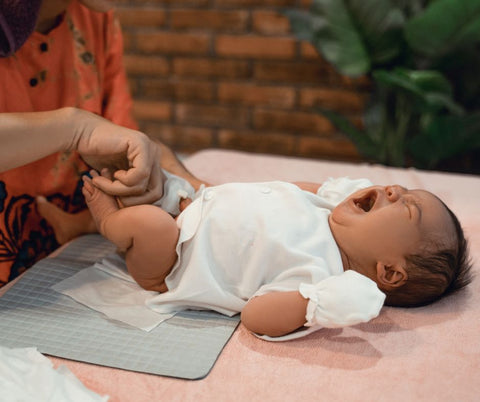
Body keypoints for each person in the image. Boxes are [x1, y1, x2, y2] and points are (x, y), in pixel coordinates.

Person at [82, 170, 472, 340]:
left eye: (405, 207)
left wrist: (312, 305)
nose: (392, 190)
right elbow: (278, 189)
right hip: (194, 206)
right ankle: (75, 225)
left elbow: (255, 316)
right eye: (400, 188)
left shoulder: (321, 275)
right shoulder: (325, 208)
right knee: (150, 182)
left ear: (388, 272)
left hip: (173, 261)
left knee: (149, 224)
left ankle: (106, 223)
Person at [0, 0, 202, 287]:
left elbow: (122, 138)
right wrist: (76, 128)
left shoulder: (94, 18)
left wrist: (199, 191)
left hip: (63, 257)